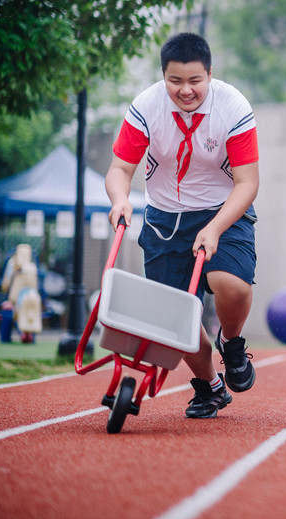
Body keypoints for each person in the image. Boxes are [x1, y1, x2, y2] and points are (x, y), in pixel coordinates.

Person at [105, 32, 259, 420]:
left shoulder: (233, 107)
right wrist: (121, 199)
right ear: (163, 76)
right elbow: (120, 169)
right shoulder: (146, 107)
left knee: (232, 284)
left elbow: (248, 183)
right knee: (176, 316)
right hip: (163, 218)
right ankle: (209, 387)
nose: (185, 90)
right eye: (175, 81)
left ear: (210, 73)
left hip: (223, 211)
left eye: (195, 81)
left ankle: (233, 343)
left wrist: (215, 227)